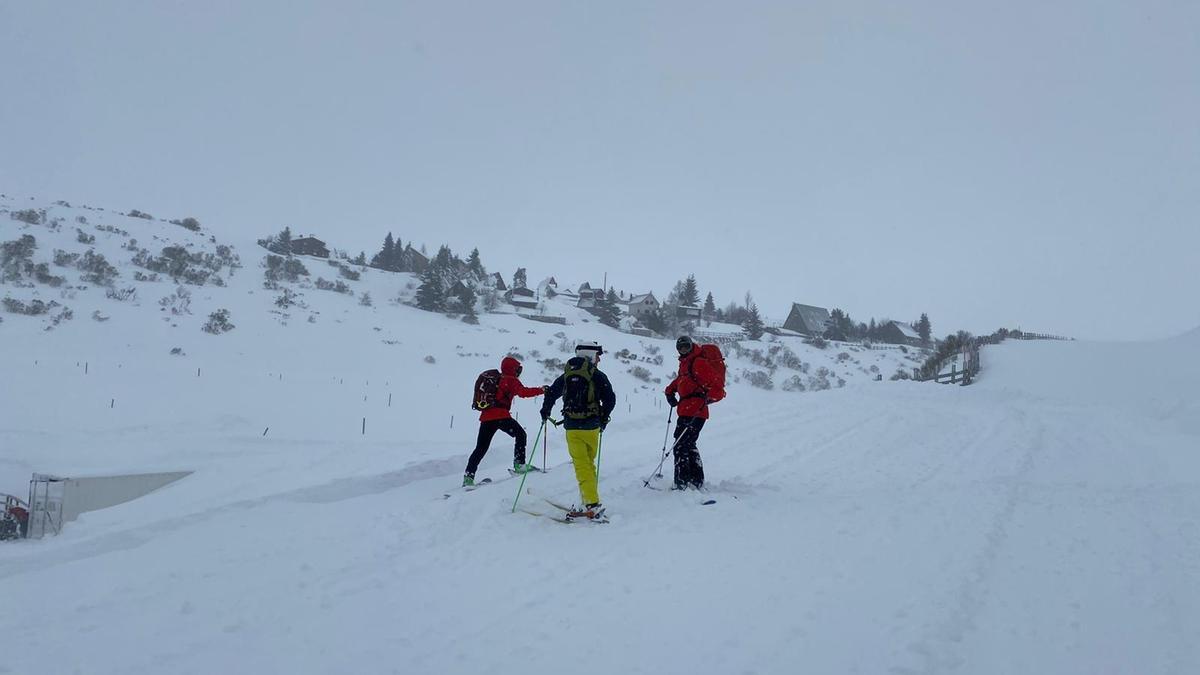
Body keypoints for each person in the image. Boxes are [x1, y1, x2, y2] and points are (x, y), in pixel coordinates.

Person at [540, 341, 616, 519]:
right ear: (590, 355)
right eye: (597, 356)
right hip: (592, 427)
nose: (599, 360)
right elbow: (610, 399)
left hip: (572, 427)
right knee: (588, 465)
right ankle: (588, 500)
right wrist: (603, 418)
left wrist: (545, 411)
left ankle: (591, 504)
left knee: (582, 466)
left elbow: (551, 393)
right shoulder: (597, 375)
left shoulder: (567, 374)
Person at [463, 356, 546, 487]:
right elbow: (523, 392)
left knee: (481, 448)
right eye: (517, 369)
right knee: (521, 435)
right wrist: (542, 390)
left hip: (486, 417)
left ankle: (468, 477)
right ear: (513, 369)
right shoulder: (510, 380)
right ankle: (519, 465)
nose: (519, 373)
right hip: (501, 416)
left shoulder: (498, 378)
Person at [664, 335, 722, 490]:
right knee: (687, 444)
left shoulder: (699, 362)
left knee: (680, 445)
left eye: (686, 347)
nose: (683, 350)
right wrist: (669, 392)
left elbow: (717, 389)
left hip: (696, 412)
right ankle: (696, 480)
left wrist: (704, 400)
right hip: (685, 410)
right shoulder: (686, 363)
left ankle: (681, 483)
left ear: (691, 346)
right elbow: (682, 380)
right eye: (680, 347)